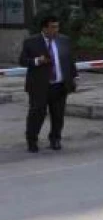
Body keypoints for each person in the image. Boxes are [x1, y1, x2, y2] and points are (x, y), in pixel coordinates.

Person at [19, 15, 78, 153]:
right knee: (37, 114)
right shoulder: (31, 42)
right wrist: (37, 61)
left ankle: (55, 139)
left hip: (59, 85)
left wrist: (75, 76)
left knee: (58, 115)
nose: (56, 30)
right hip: (39, 86)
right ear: (44, 28)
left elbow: (69, 60)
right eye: (53, 27)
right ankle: (32, 140)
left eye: (57, 26)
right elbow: (22, 60)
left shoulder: (64, 40)